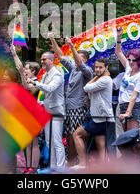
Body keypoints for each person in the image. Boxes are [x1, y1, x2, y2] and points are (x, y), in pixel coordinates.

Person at [49, 34, 93, 166]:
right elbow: (61, 56)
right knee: (68, 136)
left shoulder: (87, 71)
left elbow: (79, 63)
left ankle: (80, 162)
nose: (74, 59)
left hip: (79, 108)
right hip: (68, 107)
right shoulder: (73, 69)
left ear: (85, 59)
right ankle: (72, 161)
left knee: (76, 136)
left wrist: (72, 45)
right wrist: (52, 39)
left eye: (78, 57)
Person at [72, 58, 114, 169]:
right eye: (96, 67)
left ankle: (82, 163)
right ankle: (104, 169)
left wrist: (95, 77)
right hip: (101, 117)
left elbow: (86, 88)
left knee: (77, 134)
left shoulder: (104, 80)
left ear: (106, 68)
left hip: (100, 117)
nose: (98, 69)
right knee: (101, 144)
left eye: (100, 67)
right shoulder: (104, 79)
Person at [27, 51, 65, 168]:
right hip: (47, 112)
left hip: (57, 112)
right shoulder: (44, 75)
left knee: (57, 141)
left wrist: (35, 82)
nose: (42, 61)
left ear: (51, 61)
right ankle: (53, 167)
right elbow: (40, 93)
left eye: (44, 59)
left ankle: (61, 168)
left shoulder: (57, 74)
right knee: (49, 142)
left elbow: (50, 88)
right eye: (42, 59)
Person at [10, 44, 41, 171]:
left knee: (34, 143)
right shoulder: (27, 79)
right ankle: (28, 167)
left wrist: (22, 73)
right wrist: (14, 54)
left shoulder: (37, 82)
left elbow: (29, 89)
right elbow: (20, 67)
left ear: (33, 71)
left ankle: (33, 167)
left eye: (27, 69)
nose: (25, 70)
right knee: (27, 144)